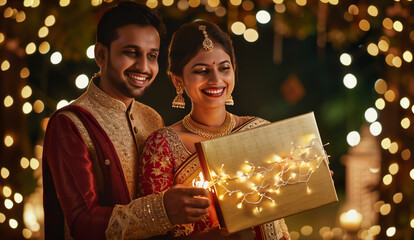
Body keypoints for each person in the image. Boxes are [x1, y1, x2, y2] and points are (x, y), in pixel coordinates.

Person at [42, 2, 211, 239]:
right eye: (131, 53)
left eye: (152, 56)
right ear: (101, 54)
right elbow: (81, 222)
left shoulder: (152, 118)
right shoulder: (70, 123)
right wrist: (162, 210)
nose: (144, 66)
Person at [138, 20, 290, 240]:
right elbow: (152, 233)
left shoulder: (258, 130)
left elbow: (280, 211)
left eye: (224, 68)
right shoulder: (163, 146)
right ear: (177, 79)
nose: (216, 80)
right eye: (202, 71)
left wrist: (311, 176)